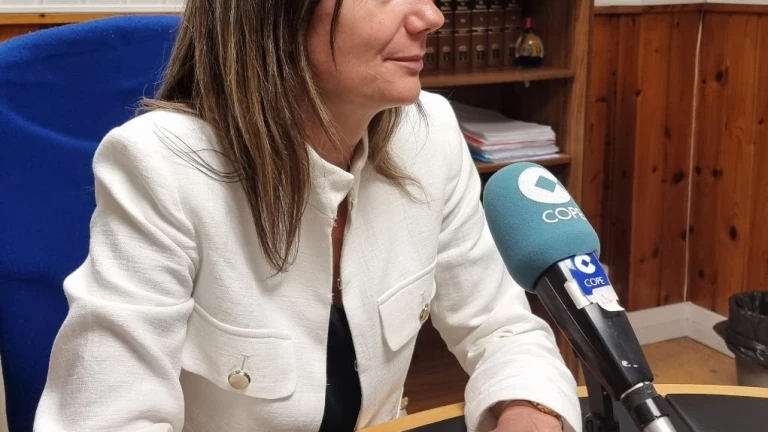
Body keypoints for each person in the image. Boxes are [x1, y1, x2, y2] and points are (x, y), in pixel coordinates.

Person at [34, 1, 580, 431]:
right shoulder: (161, 166)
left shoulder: (429, 132)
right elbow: (106, 418)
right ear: (276, 14)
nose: (432, 17)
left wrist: (527, 407)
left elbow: (501, 328)